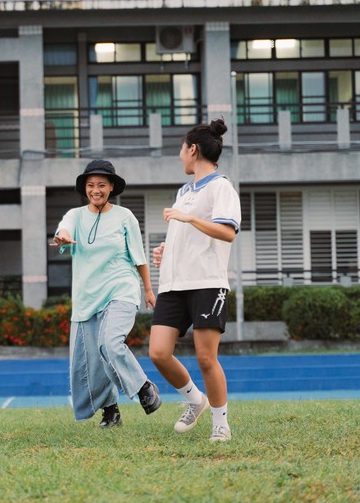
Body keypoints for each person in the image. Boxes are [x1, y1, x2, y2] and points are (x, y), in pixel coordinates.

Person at [148, 118, 241, 443]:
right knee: (158, 352)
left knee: (205, 357)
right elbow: (187, 234)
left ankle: (220, 423)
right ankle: (194, 399)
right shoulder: (184, 191)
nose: (180, 155)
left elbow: (227, 232)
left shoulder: (221, 186)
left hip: (207, 284)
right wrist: (166, 250)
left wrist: (189, 218)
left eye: (182, 149)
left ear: (193, 150)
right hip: (173, 285)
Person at [52, 160, 162, 428]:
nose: (96, 190)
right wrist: (63, 237)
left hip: (121, 289)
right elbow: (63, 229)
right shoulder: (75, 216)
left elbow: (138, 256)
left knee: (110, 343)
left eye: (101, 185)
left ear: (111, 187)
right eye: (91, 185)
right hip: (87, 296)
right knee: (89, 362)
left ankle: (144, 387)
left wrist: (148, 290)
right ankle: (111, 412)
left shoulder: (125, 217)